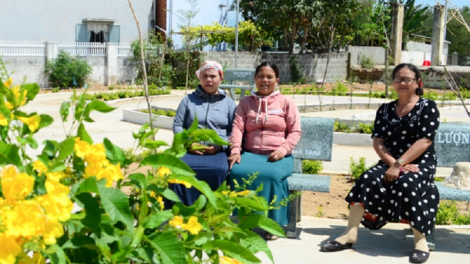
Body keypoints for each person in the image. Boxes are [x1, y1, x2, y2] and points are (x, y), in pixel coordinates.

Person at [320, 63, 440, 264]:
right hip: (389, 161)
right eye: (398, 79)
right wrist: (395, 164)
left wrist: (400, 164)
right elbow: (378, 142)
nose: (402, 83)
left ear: (417, 83)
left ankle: (421, 241)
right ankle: (350, 234)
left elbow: (425, 141)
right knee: (367, 177)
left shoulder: (427, 107)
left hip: (419, 163)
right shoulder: (385, 109)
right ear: (393, 83)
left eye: (407, 79)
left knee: (407, 183)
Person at [228, 61, 301, 240]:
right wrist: (235, 151)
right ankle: (247, 220)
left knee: (270, 175)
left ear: (277, 80)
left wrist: (283, 150)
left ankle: (273, 223)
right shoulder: (245, 102)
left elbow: (295, 131)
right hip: (250, 154)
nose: (264, 80)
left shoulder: (286, 102)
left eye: (269, 77)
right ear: (255, 79)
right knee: (237, 171)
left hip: (277, 156)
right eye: (261, 76)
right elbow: (237, 127)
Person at [172, 60, 237, 206]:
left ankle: (212, 211)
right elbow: (177, 126)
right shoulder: (188, 101)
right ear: (199, 78)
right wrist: (189, 143)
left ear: (221, 78)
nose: (209, 79)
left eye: (213, 76)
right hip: (189, 150)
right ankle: (181, 212)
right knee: (178, 170)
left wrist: (220, 146)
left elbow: (235, 130)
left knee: (219, 170)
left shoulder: (229, 103)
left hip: (217, 151)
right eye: (205, 76)